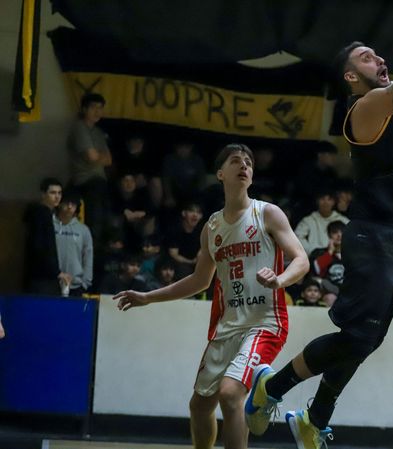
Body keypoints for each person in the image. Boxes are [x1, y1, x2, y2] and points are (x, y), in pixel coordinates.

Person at [244, 0, 393, 449]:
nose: (377, 60)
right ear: (352, 78)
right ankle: (270, 388)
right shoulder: (365, 108)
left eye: (375, 55)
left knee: (366, 340)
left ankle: (315, 417)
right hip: (372, 237)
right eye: (367, 58)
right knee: (357, 338)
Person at [113, 143, 309, 449]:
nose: (244, 165)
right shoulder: (212, 228)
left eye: (248, 162)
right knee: (200, 406)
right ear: (220, 174)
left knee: (231, 395)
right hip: (227, 326)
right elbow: (199, 281)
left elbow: (302, 259)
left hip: (265, 322)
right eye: (235, 161)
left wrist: (280, 279)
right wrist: (148, 297)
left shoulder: (267, 213)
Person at [68, 93, 112, 247]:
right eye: (93, 107)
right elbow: (91, 157)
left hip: (99, 180)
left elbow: (109, 160)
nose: (97, 112)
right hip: (85, 181)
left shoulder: (98, 132)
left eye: (100, 108)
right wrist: (98, 156)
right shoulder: (80, 127)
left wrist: (97, 156)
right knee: (94, 225)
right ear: (84, 109)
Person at [23, 177, 64, 295]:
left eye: (59, 193)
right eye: (53, 192)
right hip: (42, 278)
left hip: (39, 276)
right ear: (43, 194)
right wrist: (55, 271)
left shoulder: (44, 214)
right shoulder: (42, 214)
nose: (57, 196)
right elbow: (40, 246)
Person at [53, 189, 94, 297]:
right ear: (60, 203)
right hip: (52, 282)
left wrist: (85, 283)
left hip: (76, 285)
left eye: (73, 204)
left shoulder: (83, 230)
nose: (70, 207)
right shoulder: (50, 225)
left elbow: (88, 256)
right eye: (67, 203)